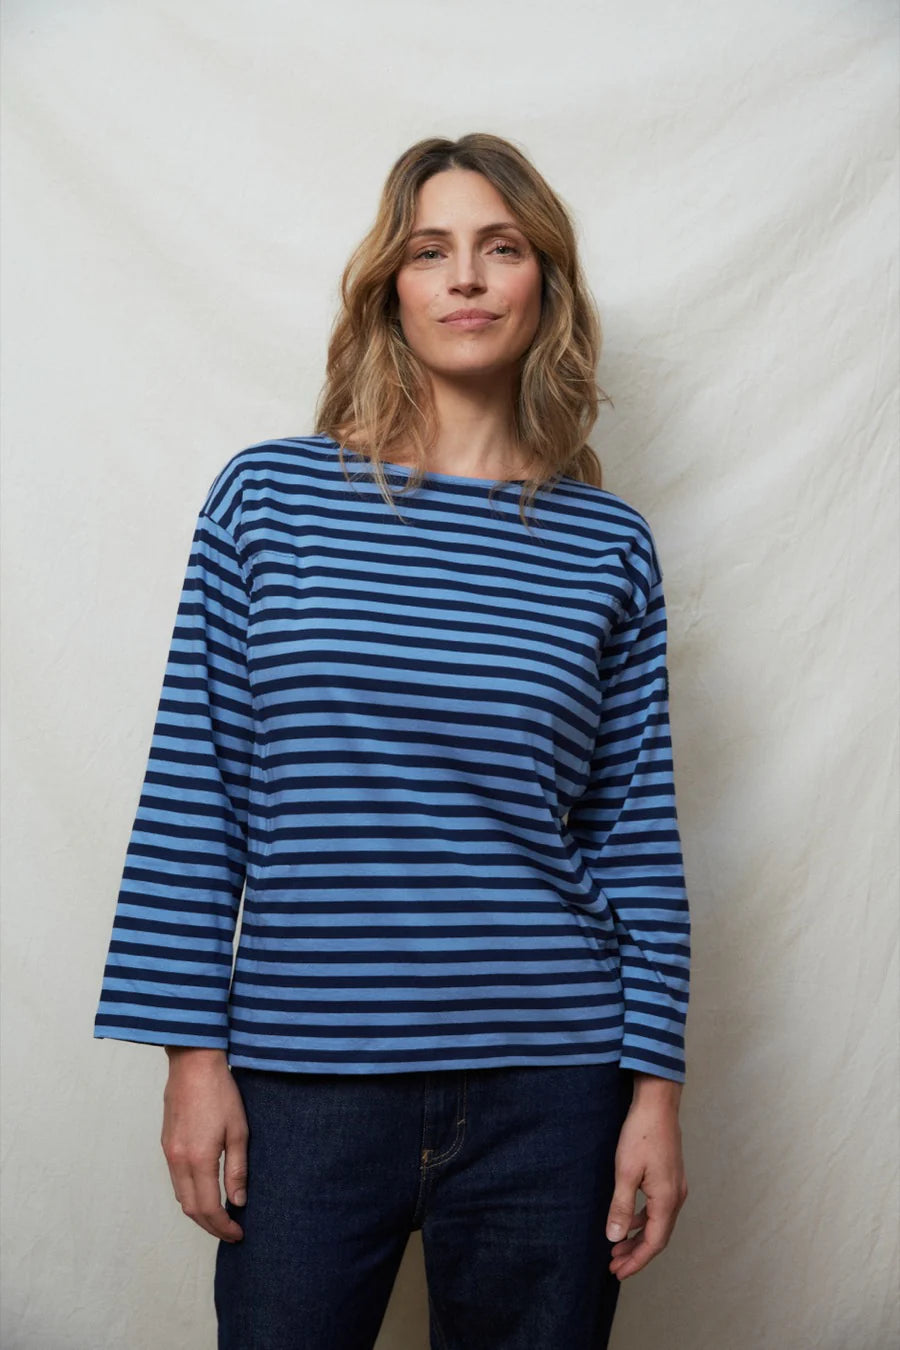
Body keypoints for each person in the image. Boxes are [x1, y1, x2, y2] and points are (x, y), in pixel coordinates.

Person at [93, 132, 691, 1350]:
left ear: (544, 286)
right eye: (431, 252)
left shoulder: (607, 547)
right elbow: (197, 792)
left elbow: (633, 837)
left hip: (552, 1086)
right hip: (306, 1080)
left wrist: (655, 1094)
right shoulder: (269, 501)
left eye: (500, 248)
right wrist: (191, 1059)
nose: (465, 276)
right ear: (391, 290)